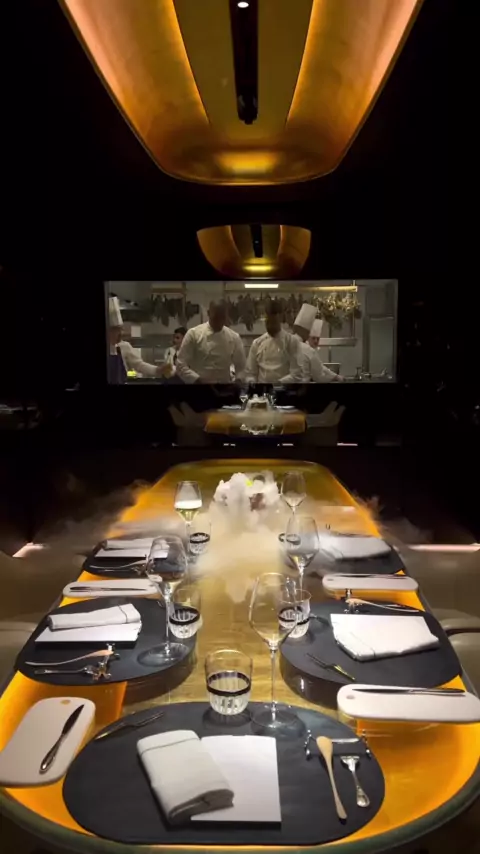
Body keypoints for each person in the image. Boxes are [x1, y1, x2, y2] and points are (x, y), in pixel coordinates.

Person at [176, 301, 246, 384]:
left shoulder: (234, 337)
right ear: (208, 313)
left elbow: (242, 368)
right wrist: (196, 380)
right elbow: (180, 364)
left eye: (222, 318)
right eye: (216, 318)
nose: (219, 322)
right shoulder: (193, 334)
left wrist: (238, 380)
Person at [108, 296, 168, 383]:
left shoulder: (124, 347)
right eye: (116, 330)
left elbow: (139, 365)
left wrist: (157, 370)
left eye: (121, 329)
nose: (121, 334)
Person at [246, 300, 303, 383]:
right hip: (262, 389)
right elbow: (251, 373)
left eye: (273, 322)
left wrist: (278, 384)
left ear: (280, 318)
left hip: (284, 389)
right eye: (267, 323)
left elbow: (296, 374)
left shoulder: (291, 342)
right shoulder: (257, 343)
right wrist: (251, 381)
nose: (270, 326)